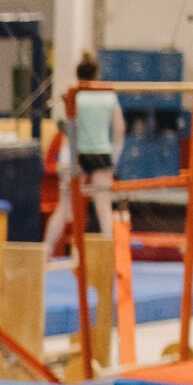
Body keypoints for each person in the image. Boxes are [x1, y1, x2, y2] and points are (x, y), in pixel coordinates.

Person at [44, 53, 124, 258]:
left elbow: (70, 130)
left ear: (78, 75)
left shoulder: (75, 95)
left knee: (64, 208)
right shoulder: (107, 95)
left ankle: (45, 252)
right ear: (96, 74)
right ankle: (109, 258)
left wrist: (68, 160)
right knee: (103, 209)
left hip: (76, 154)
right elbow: (119, 130)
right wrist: (113, 160)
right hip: (101, 154)